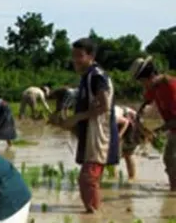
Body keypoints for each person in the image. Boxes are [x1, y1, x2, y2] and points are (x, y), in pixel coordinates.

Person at [57, 38, 119, 213]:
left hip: (99, 135)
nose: (75, 60)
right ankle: (91, 215)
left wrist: (77, 118)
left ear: (91, 56)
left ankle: (93, 220)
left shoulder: (96, 76)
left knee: (88, 179)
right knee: (88, 179)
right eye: (73, 56)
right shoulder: (87, 77)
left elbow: (105, 105)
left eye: (80, 56)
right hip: (91, 133)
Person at [130, 56, 176, 191]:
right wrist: (138, 118)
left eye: (143, 82)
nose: (143, 86)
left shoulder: (171, 87)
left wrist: (157, 131)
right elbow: (147, 102)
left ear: (151, 76)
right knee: (169, 159)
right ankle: (173, 192)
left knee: (171, 159)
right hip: (173, 129)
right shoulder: (154, 87)